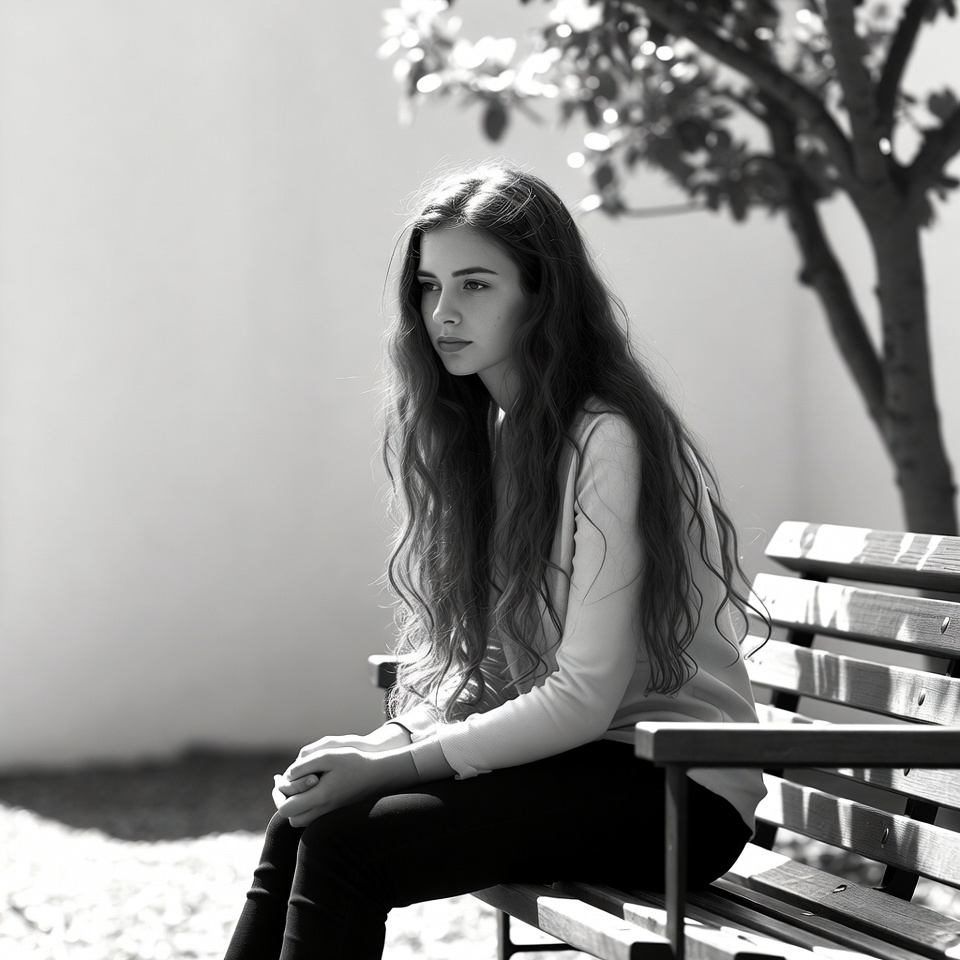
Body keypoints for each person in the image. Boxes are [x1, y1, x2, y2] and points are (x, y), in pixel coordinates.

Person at [223, 161, 767, 960]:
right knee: (304, 819)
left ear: (541, 294)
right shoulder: (501, 434)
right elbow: (485, 661)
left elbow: (583, 696)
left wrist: (390, 768)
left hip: (677, 790)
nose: (443, 312)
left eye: (476, 285)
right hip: (581, 764)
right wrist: (387, 741)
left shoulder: (606, 439)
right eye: (429, 285)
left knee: (349, 847)